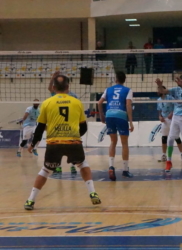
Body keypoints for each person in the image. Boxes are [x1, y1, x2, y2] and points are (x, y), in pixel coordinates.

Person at [24, 75, 101, 210]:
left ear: (53, 88)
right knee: (83, 164)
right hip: (73, 142)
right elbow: (83, 127)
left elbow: (40, 127)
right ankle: (92, 192)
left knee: (46, 170)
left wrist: (33, 144)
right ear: (68, 87)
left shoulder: (47, 103)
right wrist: (74, 135)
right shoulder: (77, 102)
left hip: (54, 143)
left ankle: (31, 200)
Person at [98, 71, 134, 181]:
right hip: (121, 115)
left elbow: (99, 103)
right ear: (124, 79)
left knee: (113, 141)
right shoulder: (128, 90)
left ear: (115, 79)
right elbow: (128, 105)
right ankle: (125, 170)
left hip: (109, 115)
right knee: (124, 143)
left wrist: (102, 116)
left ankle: (111, 167)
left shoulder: (108, 89)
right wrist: (131, 122)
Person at [155, 75, 182, 172]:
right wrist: (160, 85)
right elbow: (163, 92)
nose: (179, 81)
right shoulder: (175, 89)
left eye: (181, 80)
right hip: (176, 117)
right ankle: (169, 162)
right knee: (170, 139)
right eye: (179, 80)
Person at [48, 71, 78, 174]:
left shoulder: (72, 95)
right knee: (63, 147)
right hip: (66, 125)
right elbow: (50, 88)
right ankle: (60, 166)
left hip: (64, 125)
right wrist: (53, 77)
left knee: (67, 147)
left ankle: (72, 166)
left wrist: (53, 77)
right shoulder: (63, 94)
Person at [157, 86, 182, 162]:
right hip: (164, 120)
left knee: (176, 137)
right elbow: (159, 110)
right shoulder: (158, 100)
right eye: (158, 90)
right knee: (164, 138)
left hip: (172, 119)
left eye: (159, 90)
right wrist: (160, 116)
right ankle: (164, 155)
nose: (158, 91)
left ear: (163, 90)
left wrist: (172, 113)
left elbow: (176, 105)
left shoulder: (170, 98)